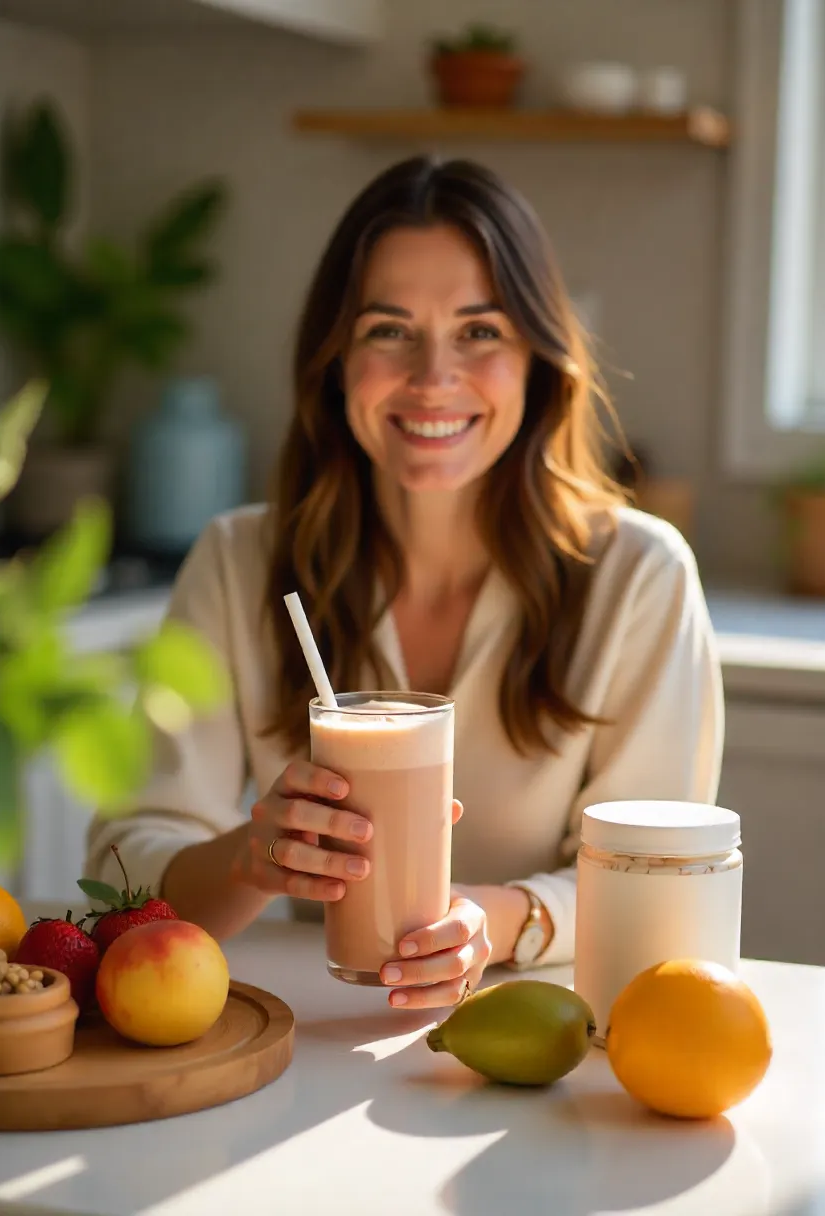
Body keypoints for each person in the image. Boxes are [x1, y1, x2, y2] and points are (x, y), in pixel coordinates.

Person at [85, 155, 724, 1011]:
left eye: (480, 331)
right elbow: (123, 864)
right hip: (304, 1038)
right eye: (389, 329)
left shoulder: (640, 579)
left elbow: (661, 876)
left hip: (550, 1052)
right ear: (336, 356)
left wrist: (497, 921)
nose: (432, 377)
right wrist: (251, 855)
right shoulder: (240, 561)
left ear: (538, 357)